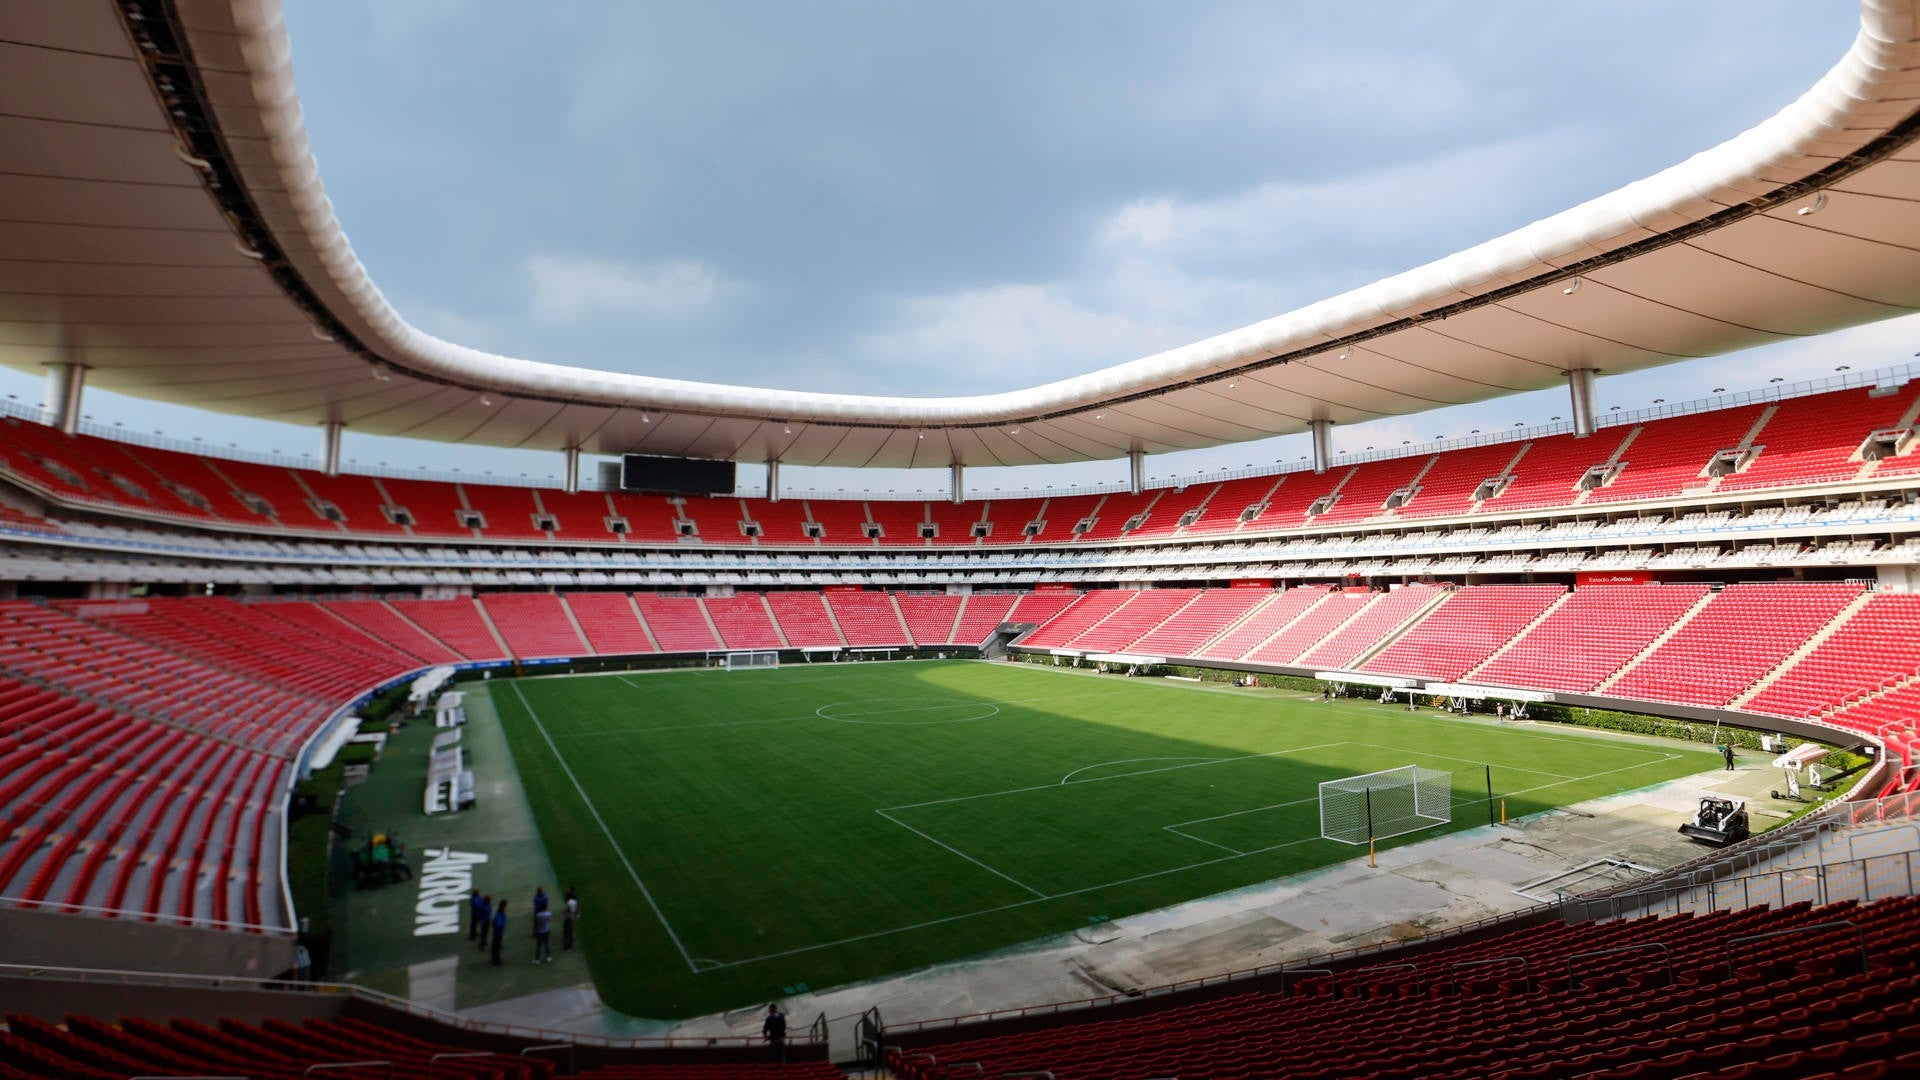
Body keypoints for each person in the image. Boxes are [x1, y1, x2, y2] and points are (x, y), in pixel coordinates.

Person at [491, 900, 508, 967]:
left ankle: (494, 960)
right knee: (496, 948)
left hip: (497, 933)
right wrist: (502, 926)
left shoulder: (499, 913)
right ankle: (496, 961)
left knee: (495, 947)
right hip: (498, 933)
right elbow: (498, 924)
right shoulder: (500, 914)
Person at [562, 887, 580, 951]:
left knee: (566, 931)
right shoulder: (575, 901)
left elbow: (567, 909)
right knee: (570, 929)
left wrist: (564, 912)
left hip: (568, 918)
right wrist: (577, 915)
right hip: (572, 917)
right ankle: (570, 942)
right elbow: (576, 909)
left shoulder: (569, 902)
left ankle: (566, 944)